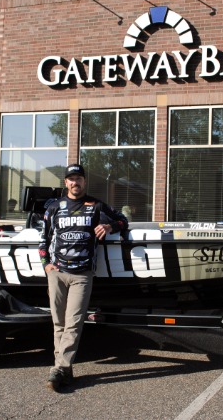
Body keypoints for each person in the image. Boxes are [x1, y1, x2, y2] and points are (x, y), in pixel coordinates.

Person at [38, 163, 128, 391]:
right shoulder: (54, 207)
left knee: (74, 323)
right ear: (65, 182)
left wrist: (108, 227)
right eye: (71, 178)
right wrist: (46, 265)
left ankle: (58, 369)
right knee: (58, 323)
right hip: (57, 273)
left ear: (84, 182)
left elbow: (123, 220)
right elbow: (44, 239)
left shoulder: (96, 205)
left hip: (82, 275)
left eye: (79, 178)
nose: (75, 182)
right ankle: (64, 369)